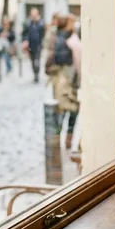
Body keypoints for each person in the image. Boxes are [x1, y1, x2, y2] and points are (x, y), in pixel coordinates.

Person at [46, 13, 81, 149]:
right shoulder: (70, 40)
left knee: (60, 112)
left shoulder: (55, 37)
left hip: (59, 82)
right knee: (72, 111)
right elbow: (76, 63)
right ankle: (67, 140)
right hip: (68, 81)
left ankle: (59, 141)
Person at [22, 8, 46, 83]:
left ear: (37, 15)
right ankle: (35, 74)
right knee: (32, 61)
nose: (34, 17)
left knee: (37, 60)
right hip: (30, 46)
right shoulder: (28, 23)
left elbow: (43, 34)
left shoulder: (41, 24)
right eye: (32, 15)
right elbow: (24, 34)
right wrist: (25, 41)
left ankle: (37, 74)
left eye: (35, 15)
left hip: (38, 45)